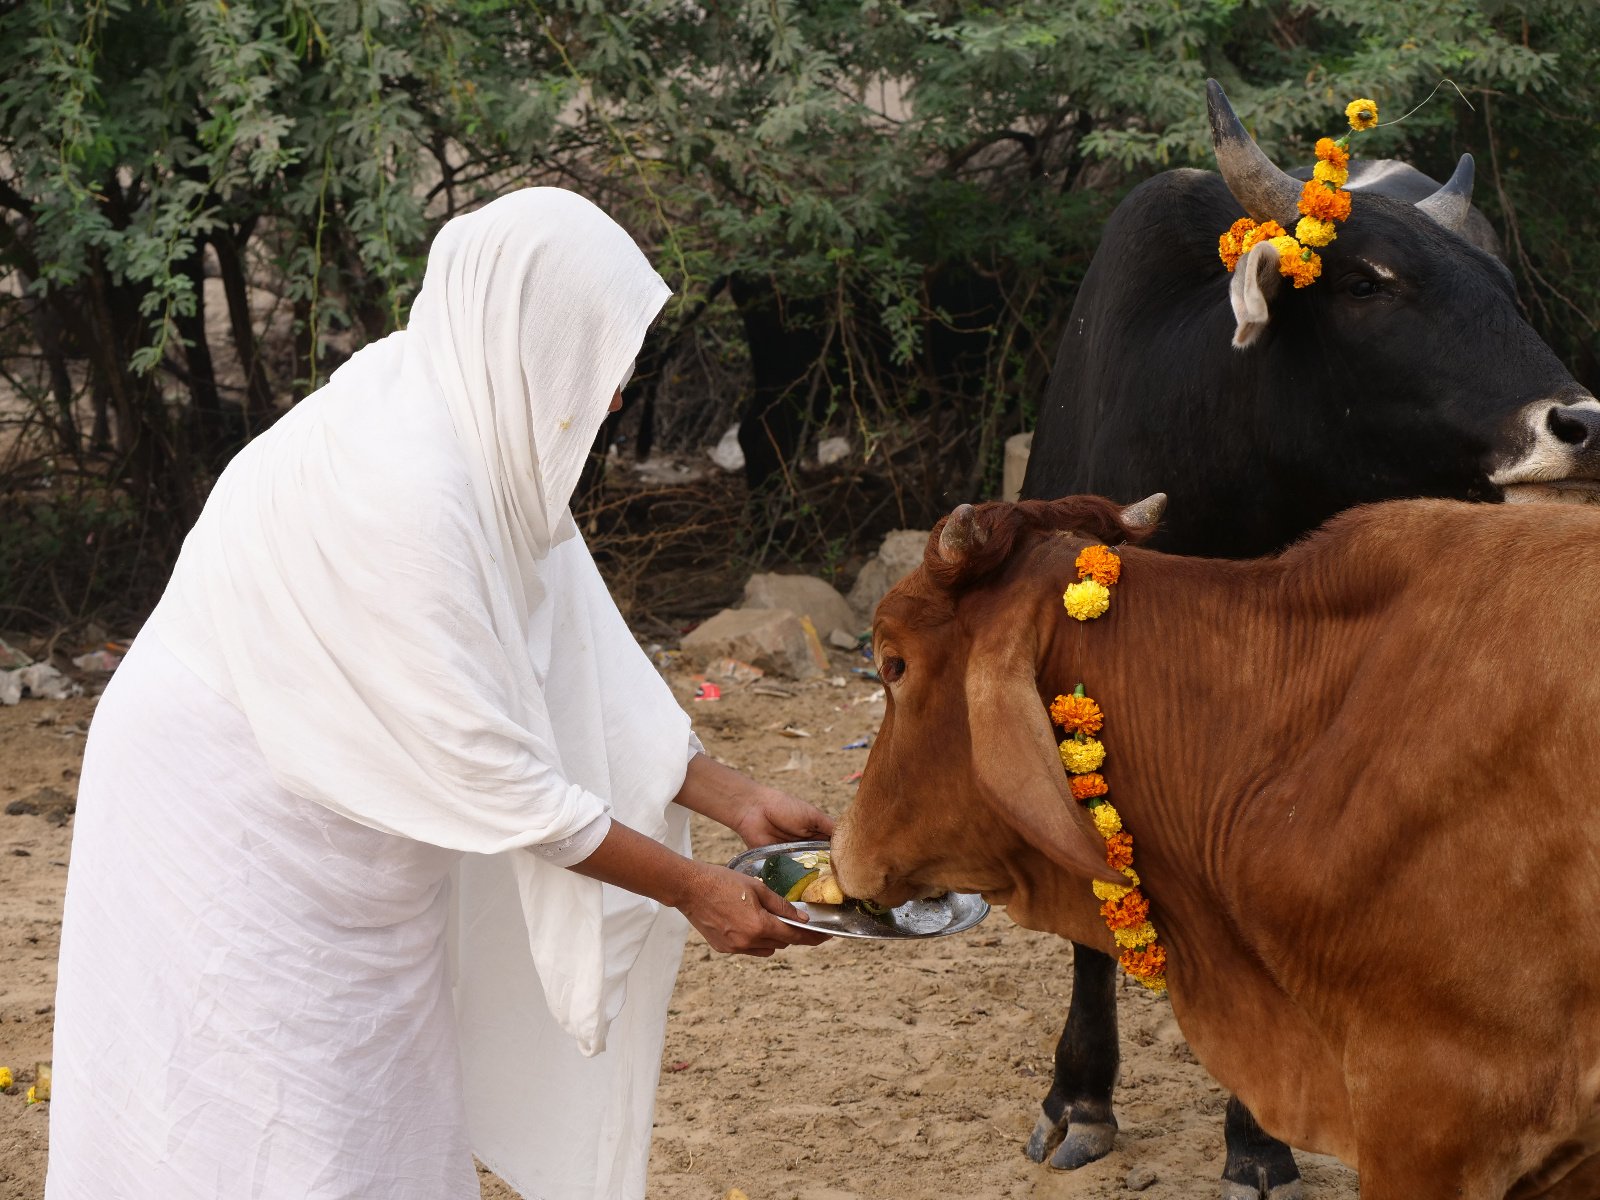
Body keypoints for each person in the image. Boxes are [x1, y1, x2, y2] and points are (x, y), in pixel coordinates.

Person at [45, 188, 835, 1200]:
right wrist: (692, 892)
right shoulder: (406, 481)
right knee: (255, 1096)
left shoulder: (475, 418)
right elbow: (492, 772)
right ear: (525, 336)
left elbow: (573, 649)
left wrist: (731, 797)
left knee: (377, 1088)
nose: (608, 402)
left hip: (351, 818)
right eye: (599, 370)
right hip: (230, 807)